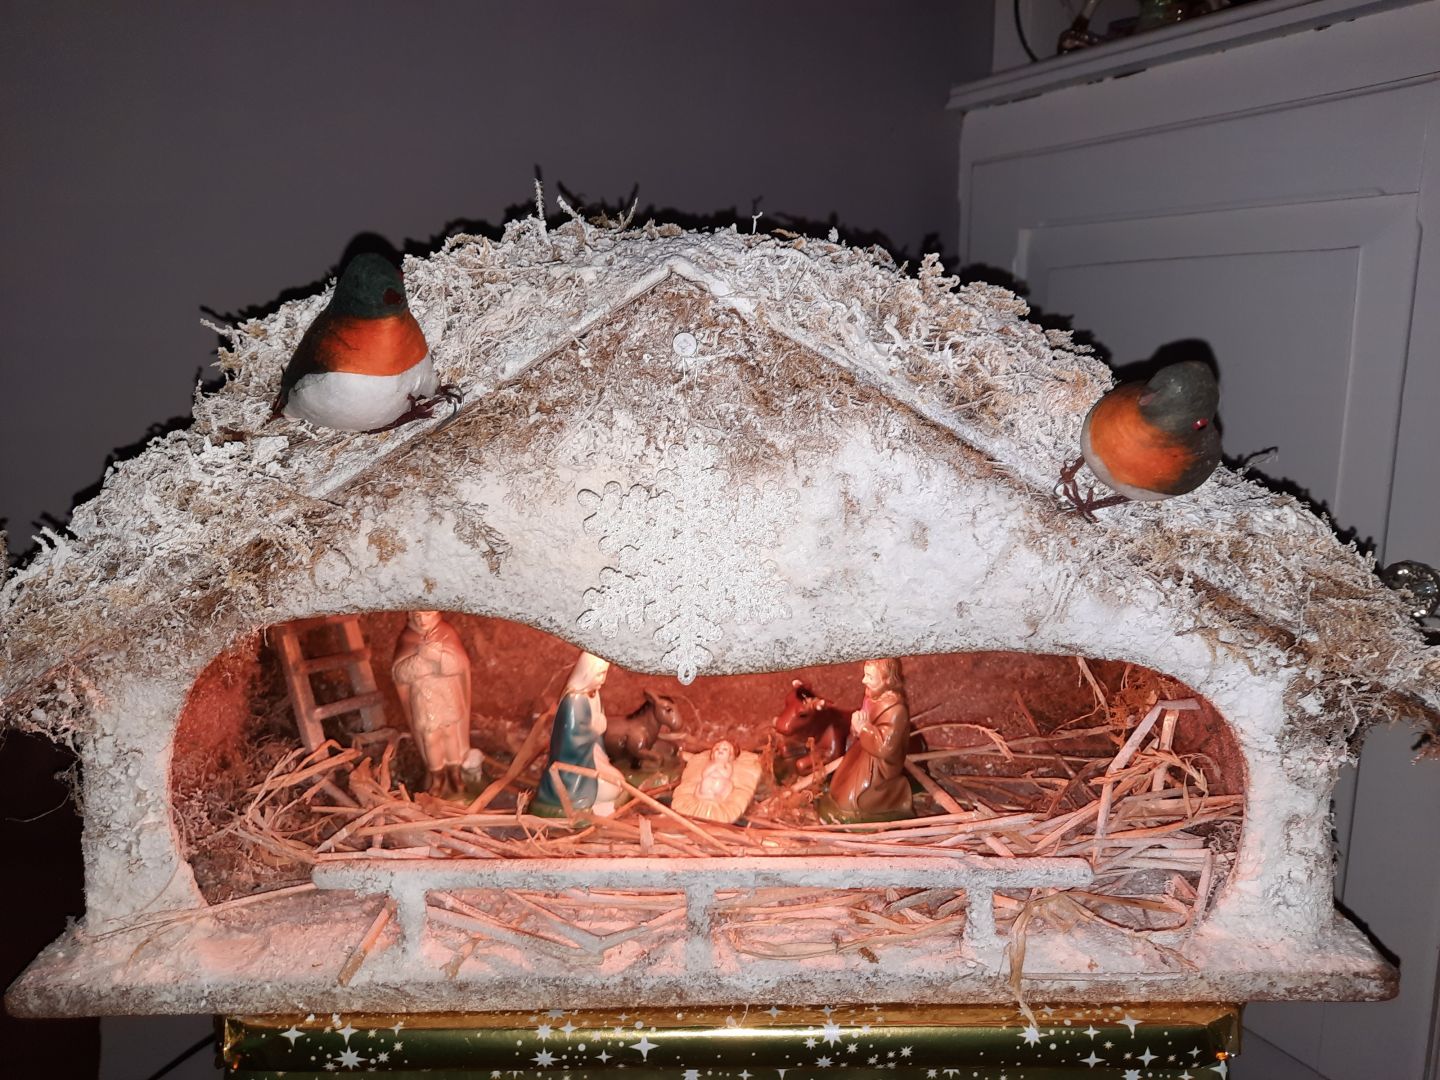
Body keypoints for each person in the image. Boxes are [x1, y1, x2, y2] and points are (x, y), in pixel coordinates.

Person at [392, 610, 472, 798]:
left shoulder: (446, 632)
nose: (422, 620)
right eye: (417, 616)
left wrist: (438, 657)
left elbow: (460, 664)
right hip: (424, 698)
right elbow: (400, 673)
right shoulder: (408, 638)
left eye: (426, 615)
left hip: (447, 695)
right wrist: (422, 660)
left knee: (450, 733)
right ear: (411, 615)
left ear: (435, 613)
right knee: (430, 738)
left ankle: (455, 774)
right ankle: (437, 777)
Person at [533, 652, 625, 817]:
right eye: (599, 674)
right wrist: (595, 730)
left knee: (619, 781)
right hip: (573, 774)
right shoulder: (574, 701)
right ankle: (585, 802)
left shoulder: (593, 694)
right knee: (613, 787)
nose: (603, 680)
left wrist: (597, 732)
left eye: (604, 674)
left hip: (591, 758)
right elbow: (572, 739)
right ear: (587, 673)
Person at [825, 658, 914, 821]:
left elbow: (884, 748)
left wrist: (863, 728)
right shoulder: (872, 696)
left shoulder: (895, 710)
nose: (863, 680)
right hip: (865, 748)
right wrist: (857, 726)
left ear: (887, 680)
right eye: (865, 675)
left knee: (849, 800)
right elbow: (863, 722)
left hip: (880, 763)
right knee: (839, 782)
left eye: (870, 677)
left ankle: (893, 796)